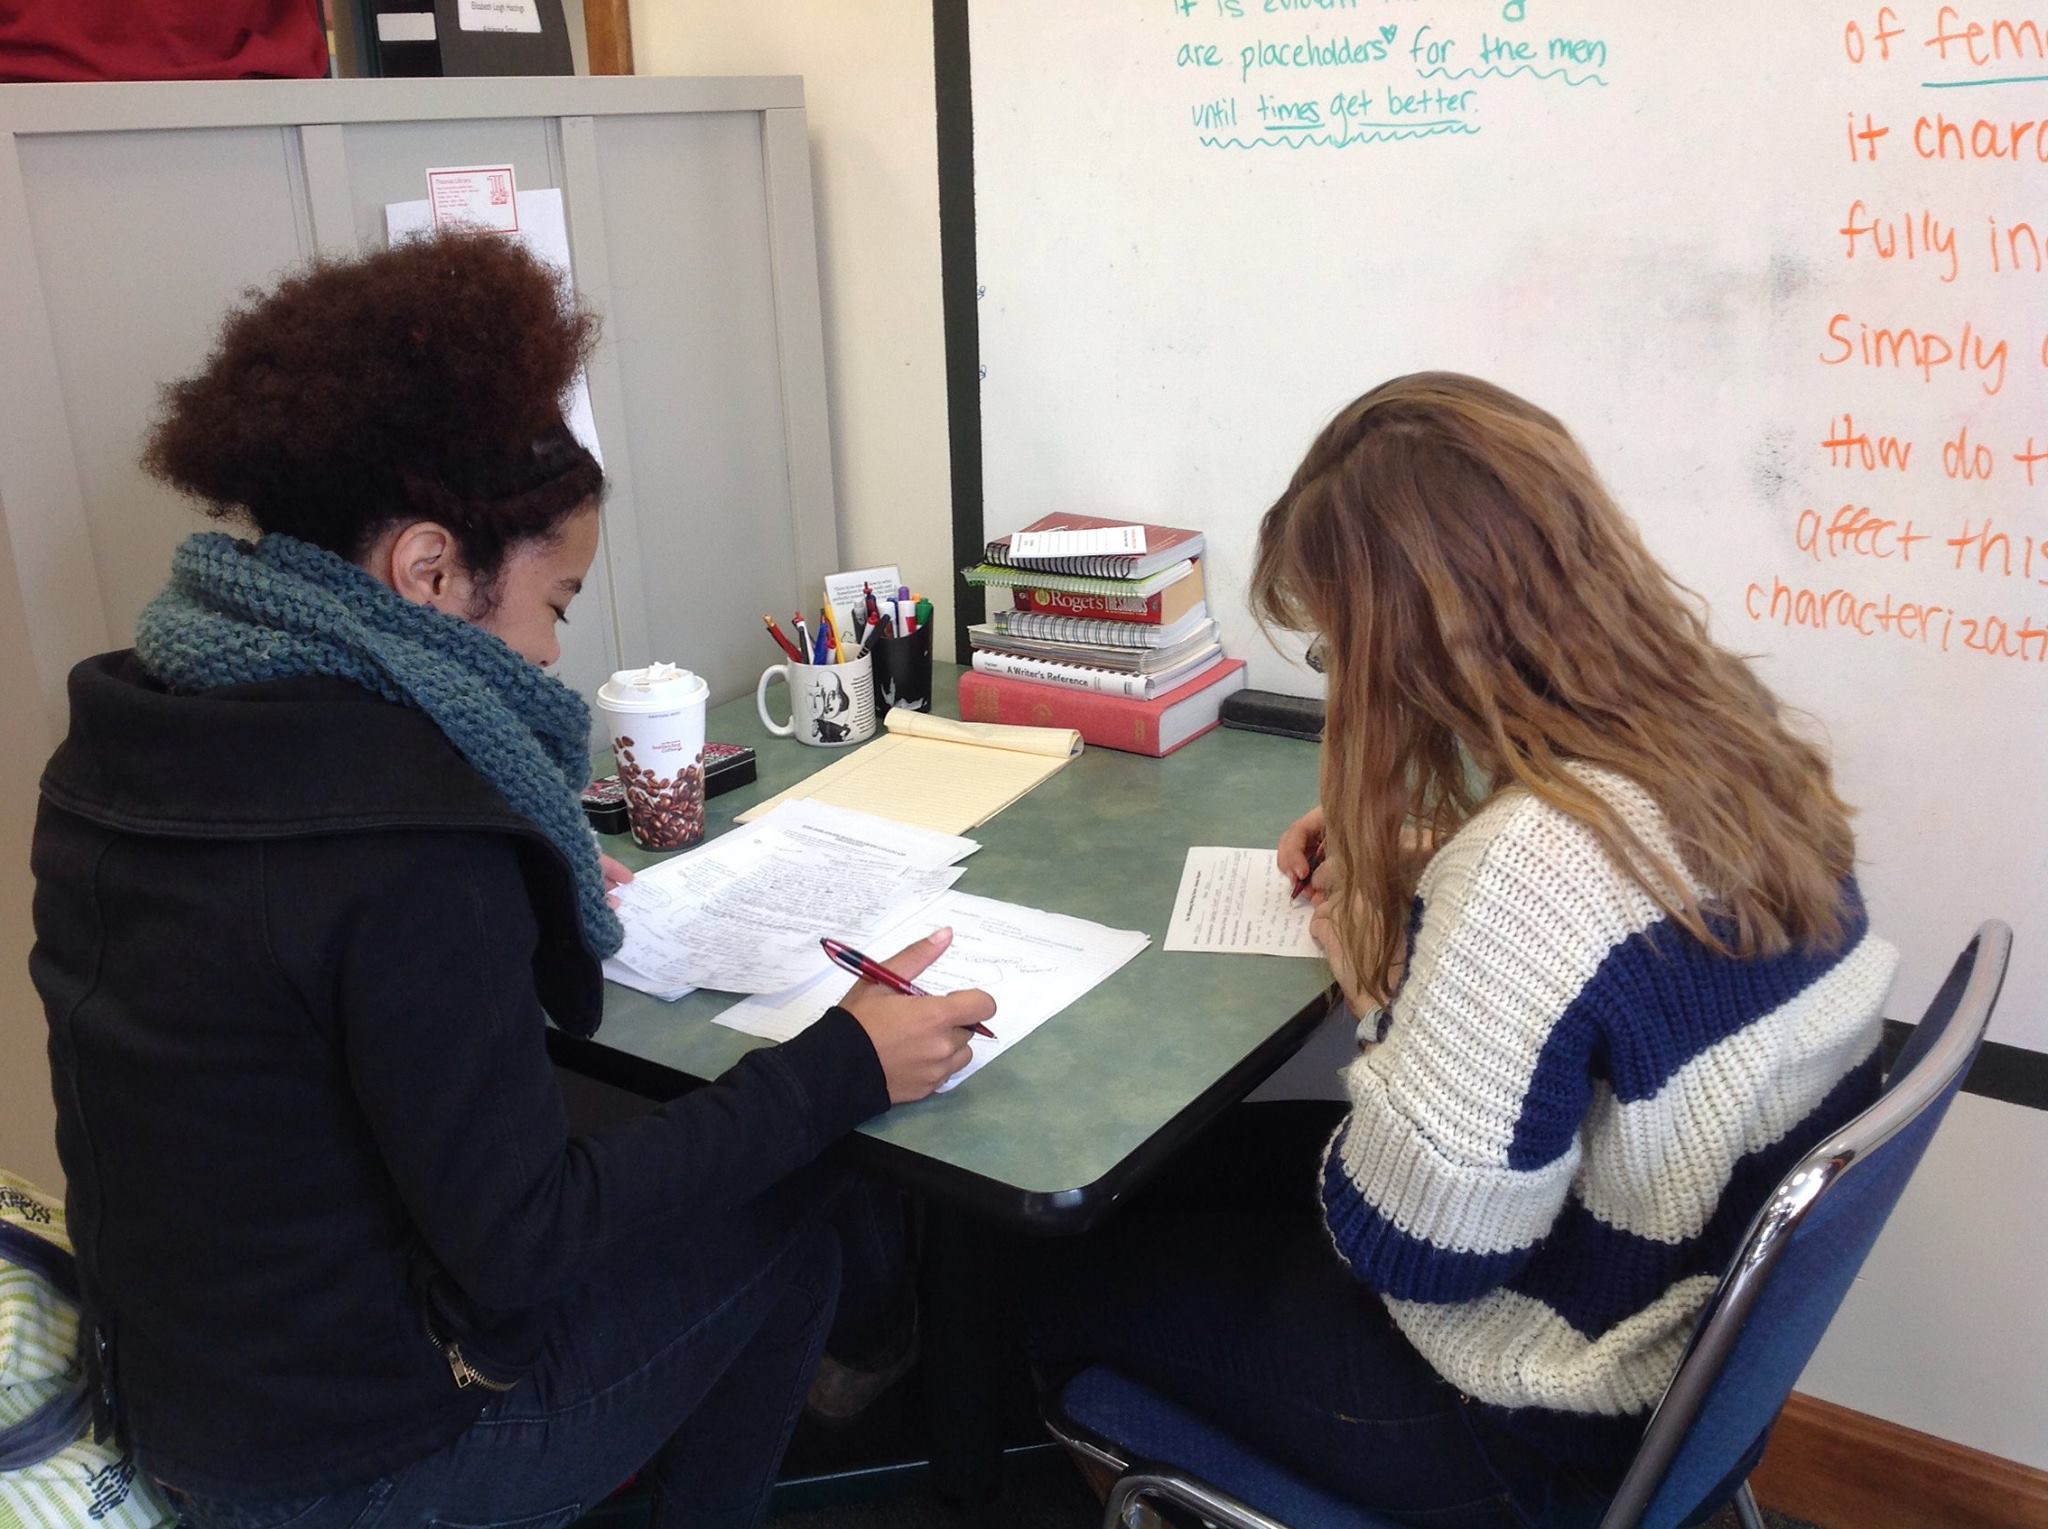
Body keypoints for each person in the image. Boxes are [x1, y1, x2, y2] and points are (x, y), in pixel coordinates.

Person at [28, 229, 994, 1529]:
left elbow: (301, 971)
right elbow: (527, 1247)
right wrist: (845, 1066)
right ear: (428, 569)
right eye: (556, 599)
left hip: (186, 1393)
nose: (546, 655)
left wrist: (512, 871)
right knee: (797, 1215)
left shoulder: (133, 727)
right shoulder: (412, 838)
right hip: (350, 1472)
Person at [1027, 373, 1898, 1527]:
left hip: (1512, 1419)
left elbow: (1415, 1249)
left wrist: (1381, 980)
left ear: (1407, 654)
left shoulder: (1527, 877)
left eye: (1338, 654)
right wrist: (1427, 851)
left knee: (1049, 1272)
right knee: (1192, 1169)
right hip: (1666, 1356)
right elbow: (1623, 930)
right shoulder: (1729, 742)